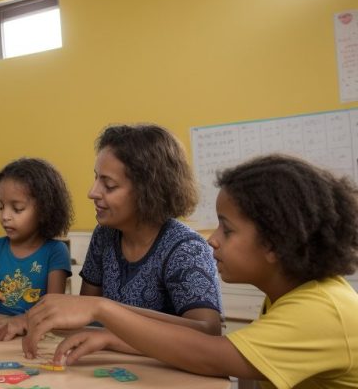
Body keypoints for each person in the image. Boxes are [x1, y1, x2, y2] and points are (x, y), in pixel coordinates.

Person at [23, 154, 358, 388]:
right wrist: (108, 326)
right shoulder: (295, 297)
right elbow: (220, 353)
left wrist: (100, 309)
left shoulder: (321, 311)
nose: (213, 240)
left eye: (227, 230)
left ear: (275, 242)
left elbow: (211, 353)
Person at [79, 124, 222, 335]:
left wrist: (105, 313)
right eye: (96, 178)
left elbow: (208, 331)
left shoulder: (186, 249)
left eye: (109, 185)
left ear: (148, 191)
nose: (92, 192)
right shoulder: (104, 235)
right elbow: (85, 314)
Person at [0, 158, 72, 341]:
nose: (5, 216)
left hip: (35, 339)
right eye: (0, 206)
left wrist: (22, 322)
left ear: (44, 210)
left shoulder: (56, 252)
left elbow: (53, 311)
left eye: (17, 209)